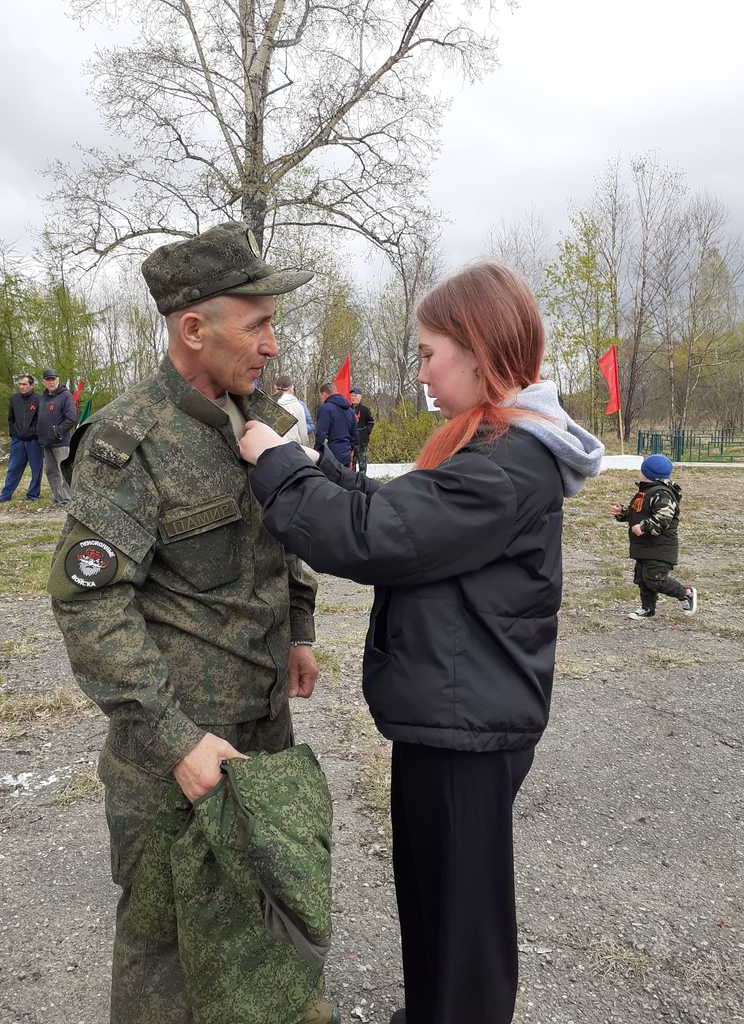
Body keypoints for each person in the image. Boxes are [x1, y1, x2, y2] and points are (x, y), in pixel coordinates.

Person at [239, 262, 603, 1024]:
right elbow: (404, 506)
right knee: (435, 898)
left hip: (468, 728)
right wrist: (316, 467)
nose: (424, 372)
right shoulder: (495, 449)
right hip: (453, 716)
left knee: (464, 923)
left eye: (431, 352)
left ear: (478, 350)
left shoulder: (506, 465)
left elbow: (375, 535)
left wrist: (275, 465)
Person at [47, 221, 337, 1024]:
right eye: (259, 324)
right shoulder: (127, 443)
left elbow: (288, 535)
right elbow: (89, 603)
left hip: (262, 735)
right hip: (176, 755)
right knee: (165, 958)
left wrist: (300, 628)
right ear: (194, 329)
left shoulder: (266, 423)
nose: (273, 344)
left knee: (265, 927)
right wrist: (173, 740)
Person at [609, 453, 698, 620]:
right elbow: (638, 512)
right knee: (643, 579)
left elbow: (664, 518)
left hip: (660, 547)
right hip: (644, 547)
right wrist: (623, 513)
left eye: (642, 470)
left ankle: (686, 593)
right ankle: (647, 608)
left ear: (648, 474)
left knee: (655, 579)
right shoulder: (645, 492)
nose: (639, 472)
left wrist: (643, 527)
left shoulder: (662, 493)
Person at [0, 373, 43, 503]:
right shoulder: (14, 399)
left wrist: (34, 433)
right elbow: (10, 419)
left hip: (34, 441)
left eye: (24, 384)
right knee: (13, 469)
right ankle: (5, 495)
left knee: (36, 469)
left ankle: (33, 495)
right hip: (18, 441)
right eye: (20, 384)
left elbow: (41, 421)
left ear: (31, 385)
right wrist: (14, 434)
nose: (21, 386)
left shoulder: (39, 399)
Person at [37, 368, 77, 505]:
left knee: (64, 471)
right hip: (46, 442)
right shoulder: (43, 398)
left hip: (61, 442)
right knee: (51, 471)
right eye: (48, 380)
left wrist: (57, 431)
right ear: (44, 382)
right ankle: (59, 497)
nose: (51, 382)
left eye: (53, 379)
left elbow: (71, 418)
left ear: (58, 379)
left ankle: (69, 499)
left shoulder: (66, 396)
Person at [315, 382, 358, 467]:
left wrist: (316, 450)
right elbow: (355, 435)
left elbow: (321, 433)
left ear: (324, 394)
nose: (321, 399)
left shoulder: (325, 409)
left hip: (331, 456)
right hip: (347, 455)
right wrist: (351, 451)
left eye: (321, 396)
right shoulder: (350, 410)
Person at [274, 373, 310, 444]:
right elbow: (302, 430)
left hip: (277, 444)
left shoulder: (273, 405)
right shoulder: (298, 406)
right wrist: (305, 445)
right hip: (293, 445)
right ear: (291, 387)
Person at [349, 386, 374, 475]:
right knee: (351, 464)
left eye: (355, 396)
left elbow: (371, 422)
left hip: (362, 441)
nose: (353, 397)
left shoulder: (365, 409)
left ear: (360, 397)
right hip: (351, 442)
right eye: (352, 396)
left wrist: (366, 432)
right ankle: (352, 480)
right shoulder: (347, 409)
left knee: (362, 464)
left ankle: (363, 481)